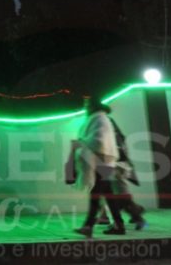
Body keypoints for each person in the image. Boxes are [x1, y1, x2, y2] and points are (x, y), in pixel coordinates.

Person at [72, 97, 126, 236]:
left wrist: (83, 142)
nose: (85, 107)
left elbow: (99, 140)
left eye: (87, 105)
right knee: (108, 194)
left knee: (96, 193)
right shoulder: (100, 118)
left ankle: (89, 226)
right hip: (104, 160)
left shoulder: (99, 119)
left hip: (101, 160)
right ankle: (119, 226)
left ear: (93, 106)